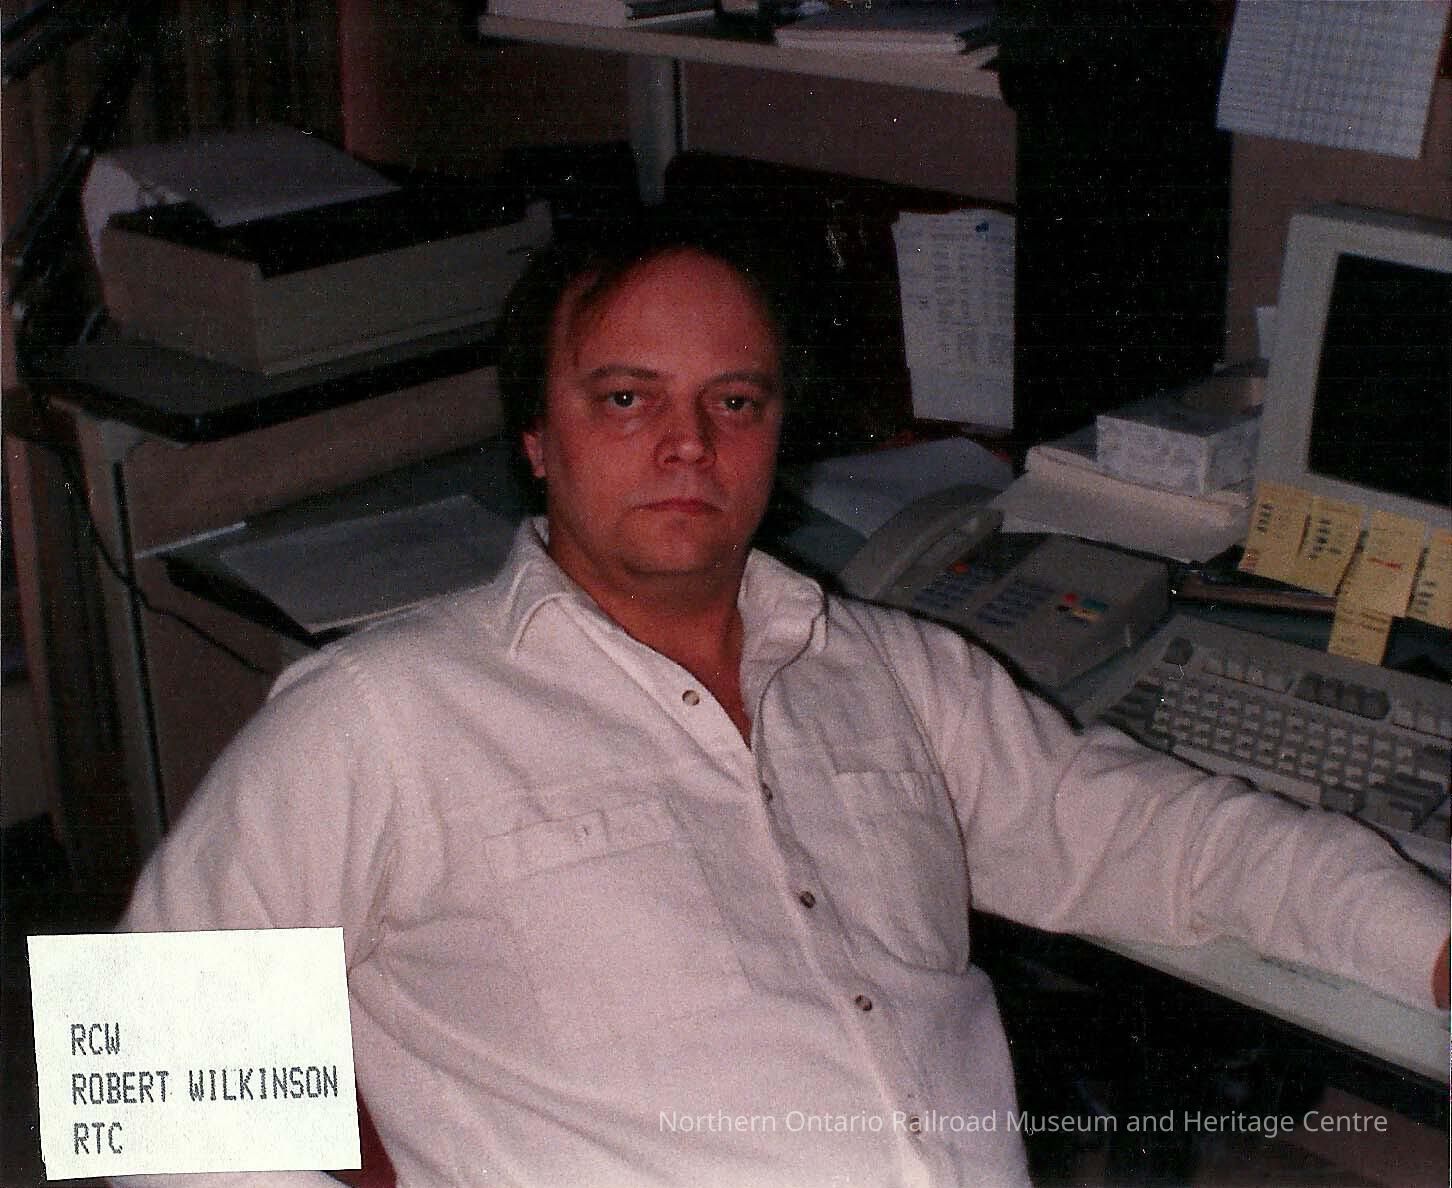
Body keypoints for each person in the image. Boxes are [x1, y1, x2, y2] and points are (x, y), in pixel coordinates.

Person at [113, 216, 1449, 1188]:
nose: (687, 444)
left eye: (734, 400)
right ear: (537, 436)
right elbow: (154, 1072)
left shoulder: (894, 673)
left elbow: (1172, 838)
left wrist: (1431, 945)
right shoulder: (385, 713)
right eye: (626, 397)